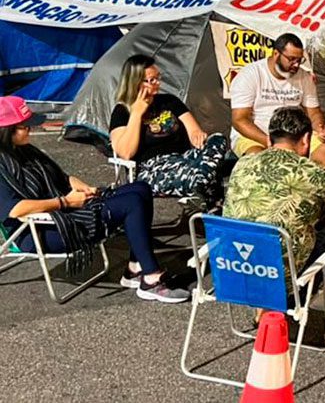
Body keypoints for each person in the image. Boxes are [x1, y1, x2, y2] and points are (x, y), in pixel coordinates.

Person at [0, 96, 189, 303]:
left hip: (62, 211)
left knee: (140, 189)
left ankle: (135, 268)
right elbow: (16, 209)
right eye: (23, 126)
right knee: (131, 203)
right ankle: (151, 279)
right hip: (41, 231)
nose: (29, 129)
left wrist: (81, 186)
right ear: (6, 131)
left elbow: (62, 178)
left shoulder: (25, 150)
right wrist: (66, 202)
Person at [224, 106, 325, 345]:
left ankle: (263, 311)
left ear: (270, 137)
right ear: (306, 140)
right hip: (282, 279)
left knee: (262, 229)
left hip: (234, 272)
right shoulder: (313, 173)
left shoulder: (243, 164)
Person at [109, 54, 227, 204]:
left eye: (158, 78)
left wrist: (197, 135)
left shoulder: (169, 102)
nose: (157, 83)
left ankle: (199, 182)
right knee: (212, 177)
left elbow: (194, 131)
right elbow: (125, 152)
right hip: (152, 169)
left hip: (184, 160)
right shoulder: (122, 111)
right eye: (150, 80)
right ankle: (203, 189)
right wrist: (137, 113)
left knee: (217, 139)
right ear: (134, 83)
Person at [230, 33, 325, 171]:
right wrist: (269, 141)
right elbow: (240, 120)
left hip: (294, 135)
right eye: (291, 59)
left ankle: (309, 190)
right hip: (257, 136)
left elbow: (314, 112)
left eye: (300, 60)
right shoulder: (250, 74)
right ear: (276, 53)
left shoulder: (304, 77)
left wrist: (320, 127)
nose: (296, 65)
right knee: (259, 159)